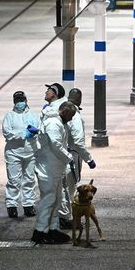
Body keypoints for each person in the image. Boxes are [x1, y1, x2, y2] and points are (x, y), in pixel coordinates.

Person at [31, 101, 76, 244]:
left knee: (56, 200)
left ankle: (52, 229)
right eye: (71, 116)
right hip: (48, 168)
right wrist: (69, 158)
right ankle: (40, 231)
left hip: (55, 167)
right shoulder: (53, 124)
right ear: (65, 112)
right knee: (49, 200)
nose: (71, 119)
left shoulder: (59, 123)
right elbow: (55, 144)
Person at [58, 88, 97, 229]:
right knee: (70, 187)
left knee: (61, 187)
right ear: (80, 100)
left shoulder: (59, 110)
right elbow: (79, 143)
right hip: (72, 155)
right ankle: (67, 218)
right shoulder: (76, 116)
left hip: (59, 155)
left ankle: (61, 216)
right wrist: (89, 159)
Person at [2, 91, 40, 218]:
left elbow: (39, 129)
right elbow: (7, 133)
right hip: (14, 153)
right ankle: (11, 206)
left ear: (26, 100)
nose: (20, 103)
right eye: (17, 101)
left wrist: (35, 132)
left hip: (31, 152)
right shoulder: (9, 116)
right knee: (14, 180)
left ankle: (28, 205)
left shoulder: (33, 115)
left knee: (29, 179)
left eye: (21, 100)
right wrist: (24, 134)